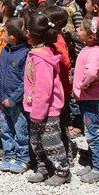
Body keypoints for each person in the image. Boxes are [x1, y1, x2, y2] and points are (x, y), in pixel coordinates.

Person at [23, 12, 69, 186]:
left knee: (51, 142)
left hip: (45, 110)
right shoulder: (35, 53)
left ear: (28, 32)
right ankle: (44, 168)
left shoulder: (41, 59)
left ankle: (62, 170)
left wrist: (38, 112)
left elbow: (44, 89)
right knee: (36, 141)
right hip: (35, 108)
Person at [0, 17, 30, 174]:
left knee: (20, 130)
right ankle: (9, 155)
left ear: (13, 37)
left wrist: (14, 99)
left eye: (5, 33)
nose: (3, 35)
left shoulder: (25, 54)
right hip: (2, 99)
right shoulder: (5, 51)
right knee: (5, 129)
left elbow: (25, 82)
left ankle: (23, 158)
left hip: (16, 103)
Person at [73, 16, 99, 183]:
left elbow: (91, 72)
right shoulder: (87, 49)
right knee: (91, 131)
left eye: (81, 29)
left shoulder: (94, 52)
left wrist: (83, 84)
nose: (77, 31)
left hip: (91, 98)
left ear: (91, 36)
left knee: (93, 133)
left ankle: (97, 167)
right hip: (86, 98)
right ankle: (91, 162)